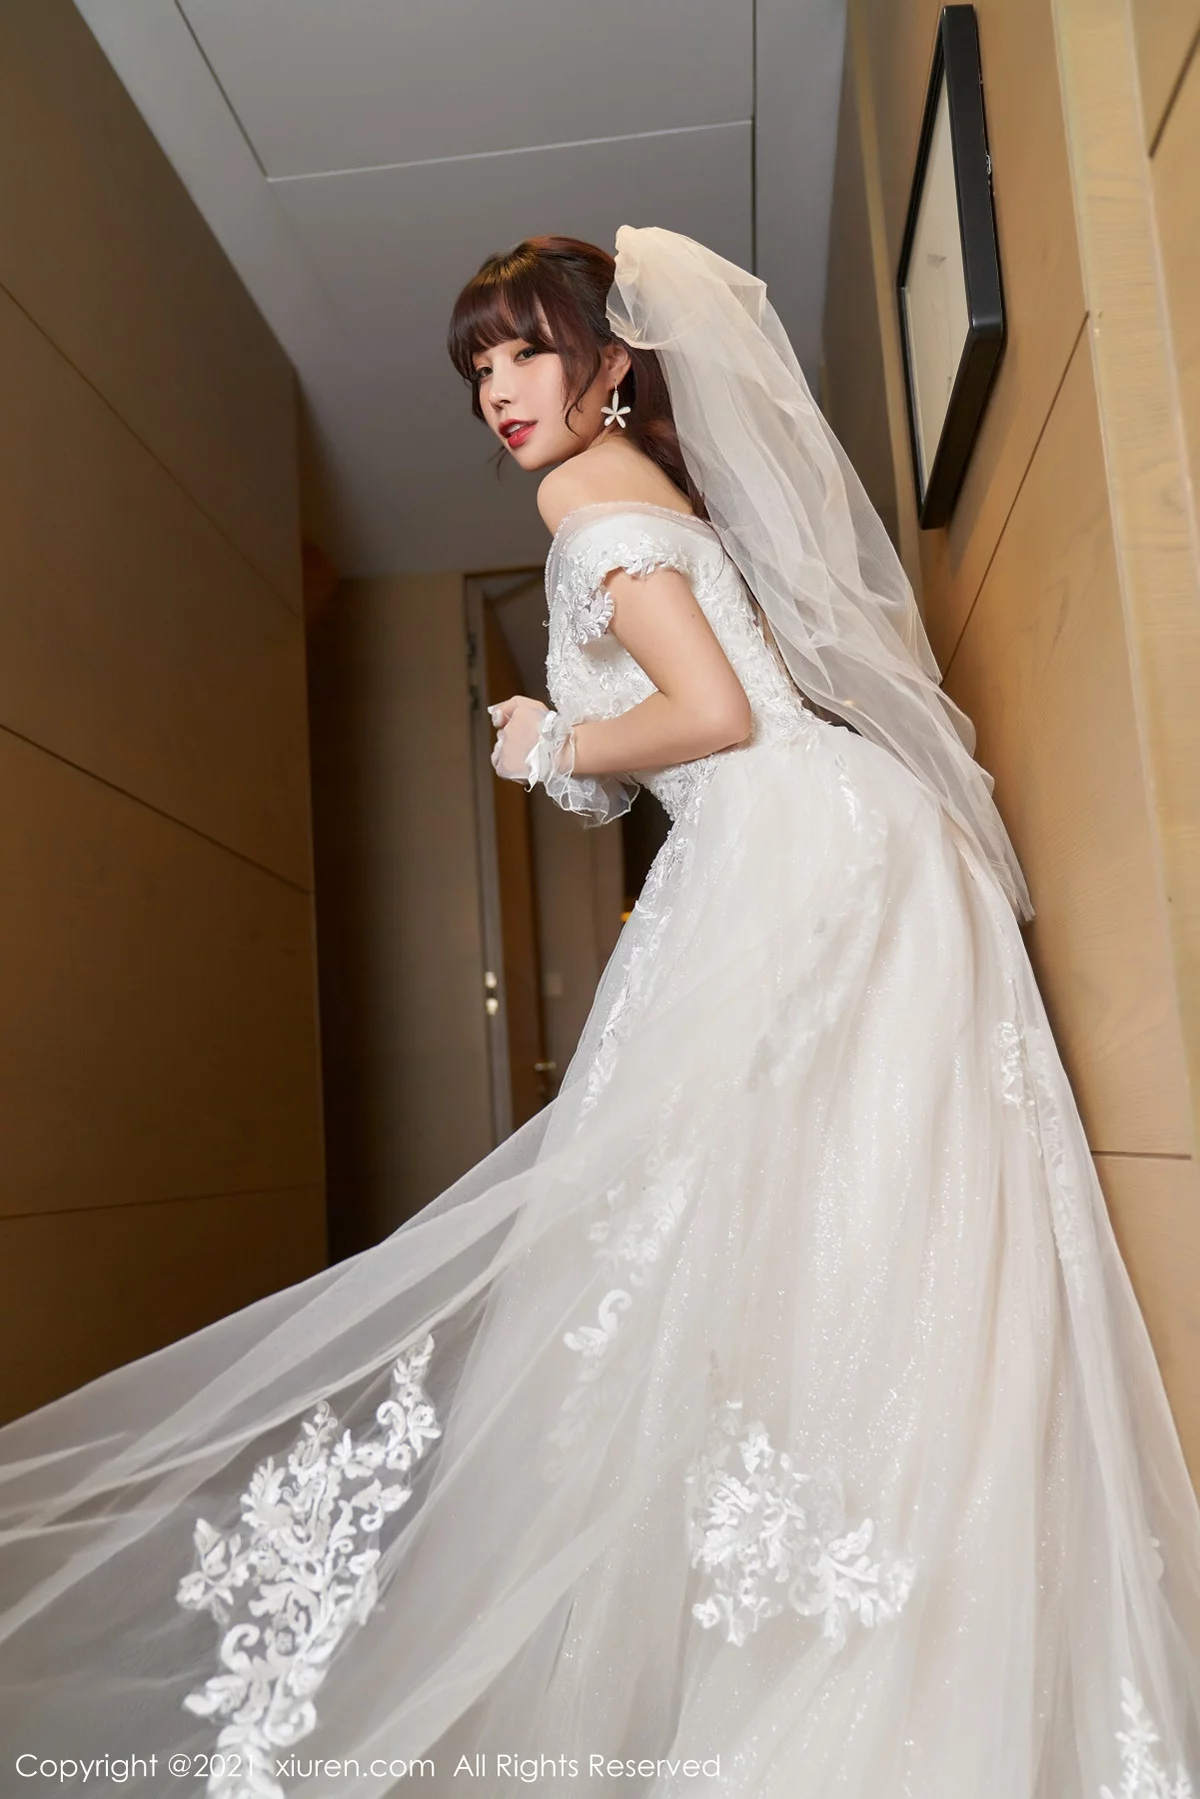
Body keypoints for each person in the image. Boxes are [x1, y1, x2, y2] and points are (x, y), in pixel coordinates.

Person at [0, 226, 1198, 1799]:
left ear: (612, 362)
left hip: (788, 854)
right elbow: (723, 711)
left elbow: (711, 714)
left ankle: (859, 1644)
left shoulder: (580, 501)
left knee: (761, 1242)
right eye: (478, 366)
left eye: (526, 350)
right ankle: (920, 1631)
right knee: (876, 1226)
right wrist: (568, 732)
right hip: (848, 836)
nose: (498, 390)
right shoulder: (658, 493)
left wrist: (554, 741)